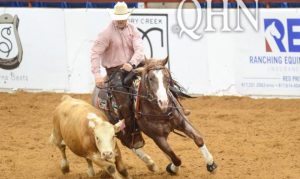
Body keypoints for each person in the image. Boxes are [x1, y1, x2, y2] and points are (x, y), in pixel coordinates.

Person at [90, 2, 145, 149]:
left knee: (158, 77)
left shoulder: (133, 29)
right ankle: (132, 133)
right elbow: (95, 53)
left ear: (127, 17)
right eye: (118, 17)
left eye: (123, 17)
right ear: (114, 17)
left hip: (134, 65)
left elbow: (139, 49)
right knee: (124, 101)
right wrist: (97, 75)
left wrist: (132, 64)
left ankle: (172, 108)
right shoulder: (106, 33)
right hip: (115, 71)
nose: (121, 20)